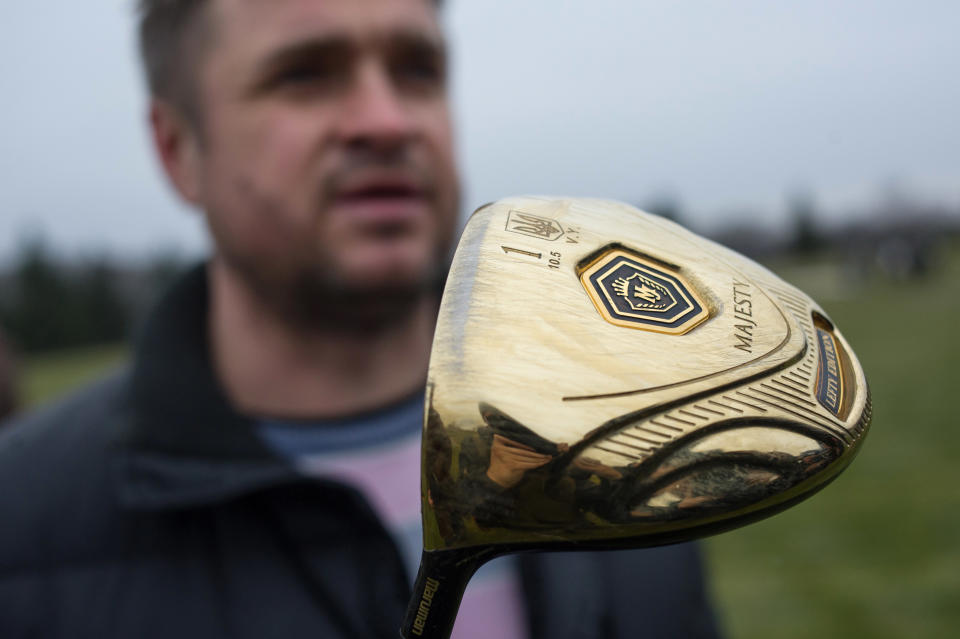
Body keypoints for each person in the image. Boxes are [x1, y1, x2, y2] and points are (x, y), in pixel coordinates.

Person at [0, 1, 721, 637]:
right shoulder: (21, 528)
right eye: (304, 74)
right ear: (178, 148)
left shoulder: (623, 434)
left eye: (417, 69)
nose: (386, 120)